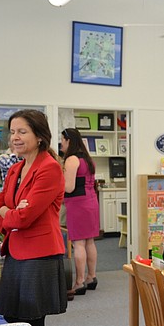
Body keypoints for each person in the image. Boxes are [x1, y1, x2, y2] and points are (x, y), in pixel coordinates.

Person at [0, 109, 67, 326]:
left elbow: (25, 218)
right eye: (12, 132)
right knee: (12, 317)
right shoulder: (15, 169)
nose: (15, 137)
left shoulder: (49, 168)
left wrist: (9, 212)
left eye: (22, 131)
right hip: (15, 252)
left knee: (33, 324)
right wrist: (9, 212)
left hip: (39, 255)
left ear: (39, 136)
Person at [59, 127, 100, 296]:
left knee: (78, 243)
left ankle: (79, 281)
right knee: (89, 241)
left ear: (69, 140)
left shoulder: (71, 160)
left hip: (77, 204)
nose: (61, 143)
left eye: (62, 140)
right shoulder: (88, 159)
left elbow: (69, 187)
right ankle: (91, 277)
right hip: (91, 202)